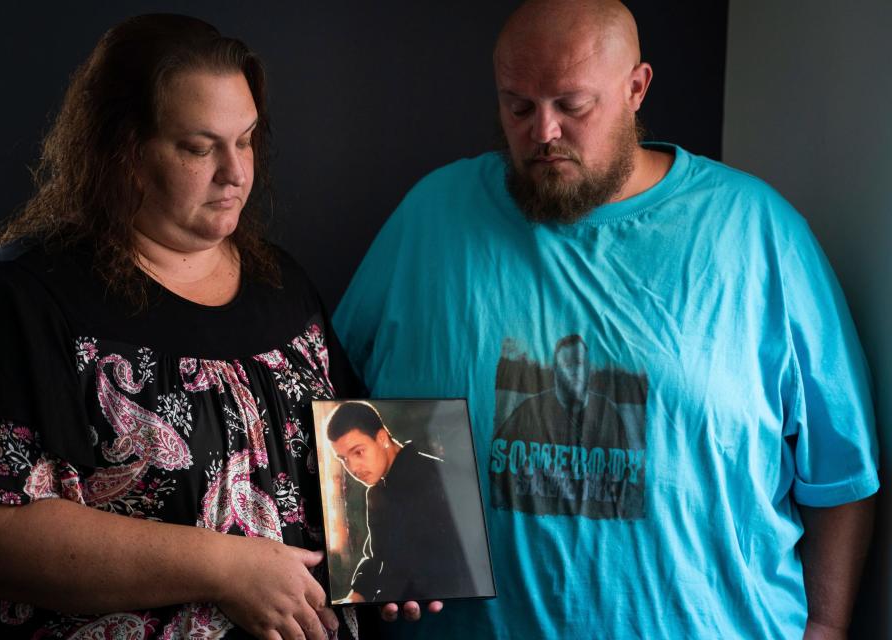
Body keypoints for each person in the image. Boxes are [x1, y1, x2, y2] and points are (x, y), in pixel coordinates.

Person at [332, 1, 879, 638]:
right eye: (518, 106)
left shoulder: (757, 234)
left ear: (635, 88)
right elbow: (332, 402)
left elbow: (842, 471)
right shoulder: (432, 219)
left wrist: (830, 626)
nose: (543, 132)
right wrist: (373, 567)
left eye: (572, 105)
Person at [0, 14, 364, 640]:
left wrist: (388, 569)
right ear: (124, 150)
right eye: (199, 147)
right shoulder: (15, 302)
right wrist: (225, 568)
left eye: (244, 140)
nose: (235, 172)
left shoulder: (283, 288)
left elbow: (349, 461)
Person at [324, 402, 473, 604]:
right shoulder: (377, 491)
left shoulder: (434, 477)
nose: (353, 467)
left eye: (358, 452)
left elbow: (443, 567)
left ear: (382, 438)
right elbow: (377, 556)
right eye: (343, 459)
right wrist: (356, 596)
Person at [492, 334, 644, 519]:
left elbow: (628, 479)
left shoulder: (608, 413)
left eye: (579, 364)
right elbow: (495, 466)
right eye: (567, 365)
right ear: (555, 370)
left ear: (589, 369)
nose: (574, 371)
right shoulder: (529, 411)